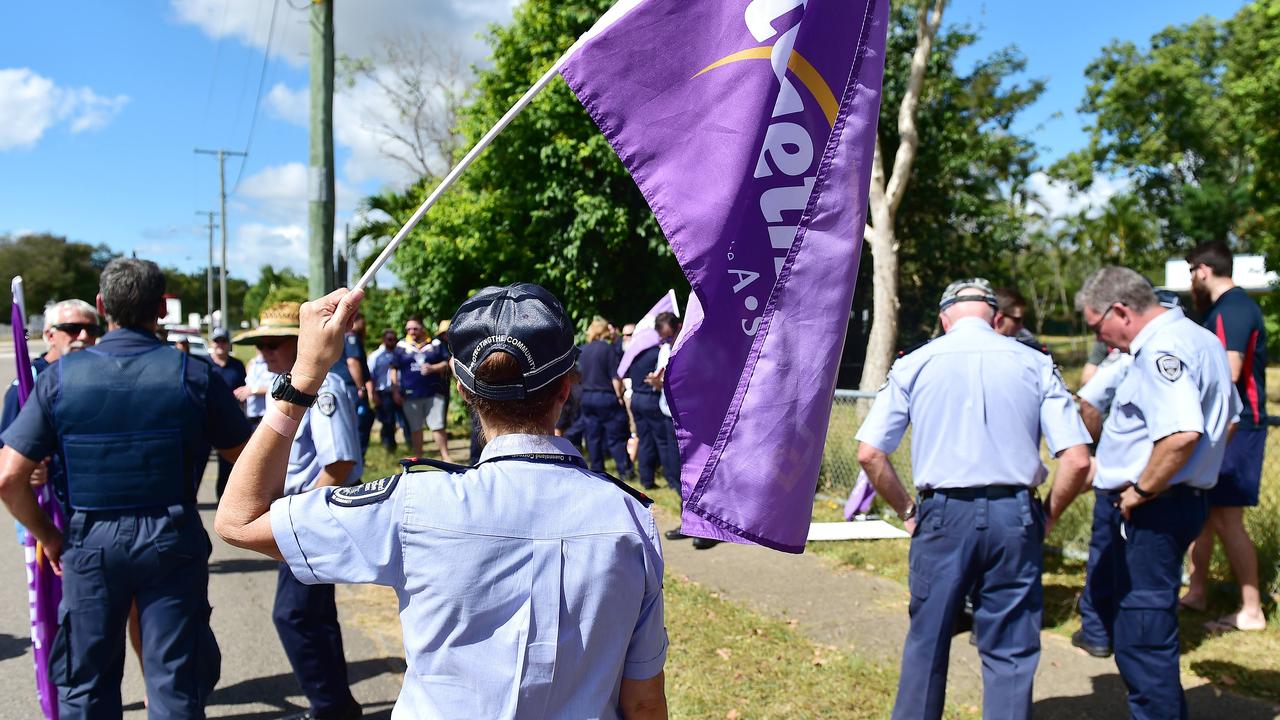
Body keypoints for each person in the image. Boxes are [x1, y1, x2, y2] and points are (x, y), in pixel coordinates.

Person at [215, 282, 669, 718]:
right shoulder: (630, 518)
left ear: (460, 386)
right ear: (566, 386)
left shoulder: (413, 504)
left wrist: (302, 380)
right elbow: (644, 703)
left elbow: (239, 519)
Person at [0, 258, 250, 716]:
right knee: (175, 683)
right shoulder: (193, 375)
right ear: (161, 308)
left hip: (89, 542)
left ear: (101, 306)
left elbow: (9, 477)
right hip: (171, 539)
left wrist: (50, 537)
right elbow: (246, 458)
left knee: (87, 684)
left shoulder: (57, 379)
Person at [855, 278, 1092, 720]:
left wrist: (908, 510)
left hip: (943, 515)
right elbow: (1077, 460)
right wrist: (1047, 517)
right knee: (1011, 648)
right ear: (996, 316)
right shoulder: (1035, 363)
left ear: (945, 319)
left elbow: (870, 453)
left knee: (928, 639)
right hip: (1015, 513)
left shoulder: (916, 363)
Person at [1075, 266, 1239, 719]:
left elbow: (1182, 433)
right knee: (1141, 626)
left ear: (1121, 311)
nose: (1103, 341)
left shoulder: (1160, 349)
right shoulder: (1202, 339)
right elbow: (1229, 419)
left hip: (1152, 508)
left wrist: (1143, 488)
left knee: (1142, 635)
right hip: (1177, 500)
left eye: (1097, 327)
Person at [232, 302, 363, 720]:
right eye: (261, 345)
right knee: (313, 616)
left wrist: (302, 523)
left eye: (274, 343)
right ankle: (335, 705)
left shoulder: (323, 388)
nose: (265, 352)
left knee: (295, 616)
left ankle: (329, 708)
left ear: (301, 342)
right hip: (293, 515)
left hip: (307, 518)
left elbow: (339, 464)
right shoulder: (284, 385)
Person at [1071, 288, 1180, 659]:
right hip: (1164, 480)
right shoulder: (1189, 352)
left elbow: (1088, 400)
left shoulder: (1137, 359)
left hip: (1131, 481)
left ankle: (1105, 633)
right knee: (1143, 573)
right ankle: (1117, 637)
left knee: (1109, 560)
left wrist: (1097, 446)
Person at [1181, 240, 1269, 631]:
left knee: (1227, 517)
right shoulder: (1222, 309)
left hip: (1240, 425)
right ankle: (1197, 592)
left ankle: (1251, 610)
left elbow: (1229, 371)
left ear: (1202, 269)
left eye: (1190, 272)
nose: (1190, 282)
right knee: (1204, 514)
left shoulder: (1233, 310)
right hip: (1222, 425)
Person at [579, 318, 633, 478]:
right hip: (606, 396)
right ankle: (625, 471)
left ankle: (596, 469)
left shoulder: (583, 350)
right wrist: (619, 396)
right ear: (603, 331)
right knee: (616, 436)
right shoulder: (608, 350)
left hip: (587, 396)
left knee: (593, 436)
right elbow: (615, 378)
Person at [398, 315, 452, 460]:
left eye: (415, 328)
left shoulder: (435, 344)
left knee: (438, 426)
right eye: (408, 329)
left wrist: (433, 368)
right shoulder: (401, 345)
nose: (411, 331)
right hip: (410, 394)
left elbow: (447, 363)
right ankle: (418, 456)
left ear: (422, 328)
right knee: (415, 428)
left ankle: (445, 456)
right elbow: (393, 369)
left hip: (434, 392)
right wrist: (395, 390)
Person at [208, 328, 247, 498]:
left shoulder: (237, 366)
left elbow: (245, 388)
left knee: (228, 468)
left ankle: (222, 504)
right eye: (217, 341)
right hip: (205, 419)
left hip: (228, 421)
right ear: (211, 343)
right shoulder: (203, 364)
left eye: (223, 341)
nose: (220, 345)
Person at [367, 329, 407, 452]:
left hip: (401, 391)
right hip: (383, 392)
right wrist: (372, 394)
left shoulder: (400, 354)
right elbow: (370, 376)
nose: (392, 341)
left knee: (405, 420)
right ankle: (388, 447)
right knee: (388, 422)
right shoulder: (375, 356)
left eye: (395, 339)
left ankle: (410, 446)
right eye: (390, 339)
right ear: (383, 340)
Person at [342, 313, 375, 453]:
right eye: (363, 322)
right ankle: (358, 457)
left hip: (346, 389)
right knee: (362, 422)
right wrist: (360, 386)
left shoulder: (340, 338)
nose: (364, 326)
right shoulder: (351, 338)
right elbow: (352, 362)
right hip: (353, 389)